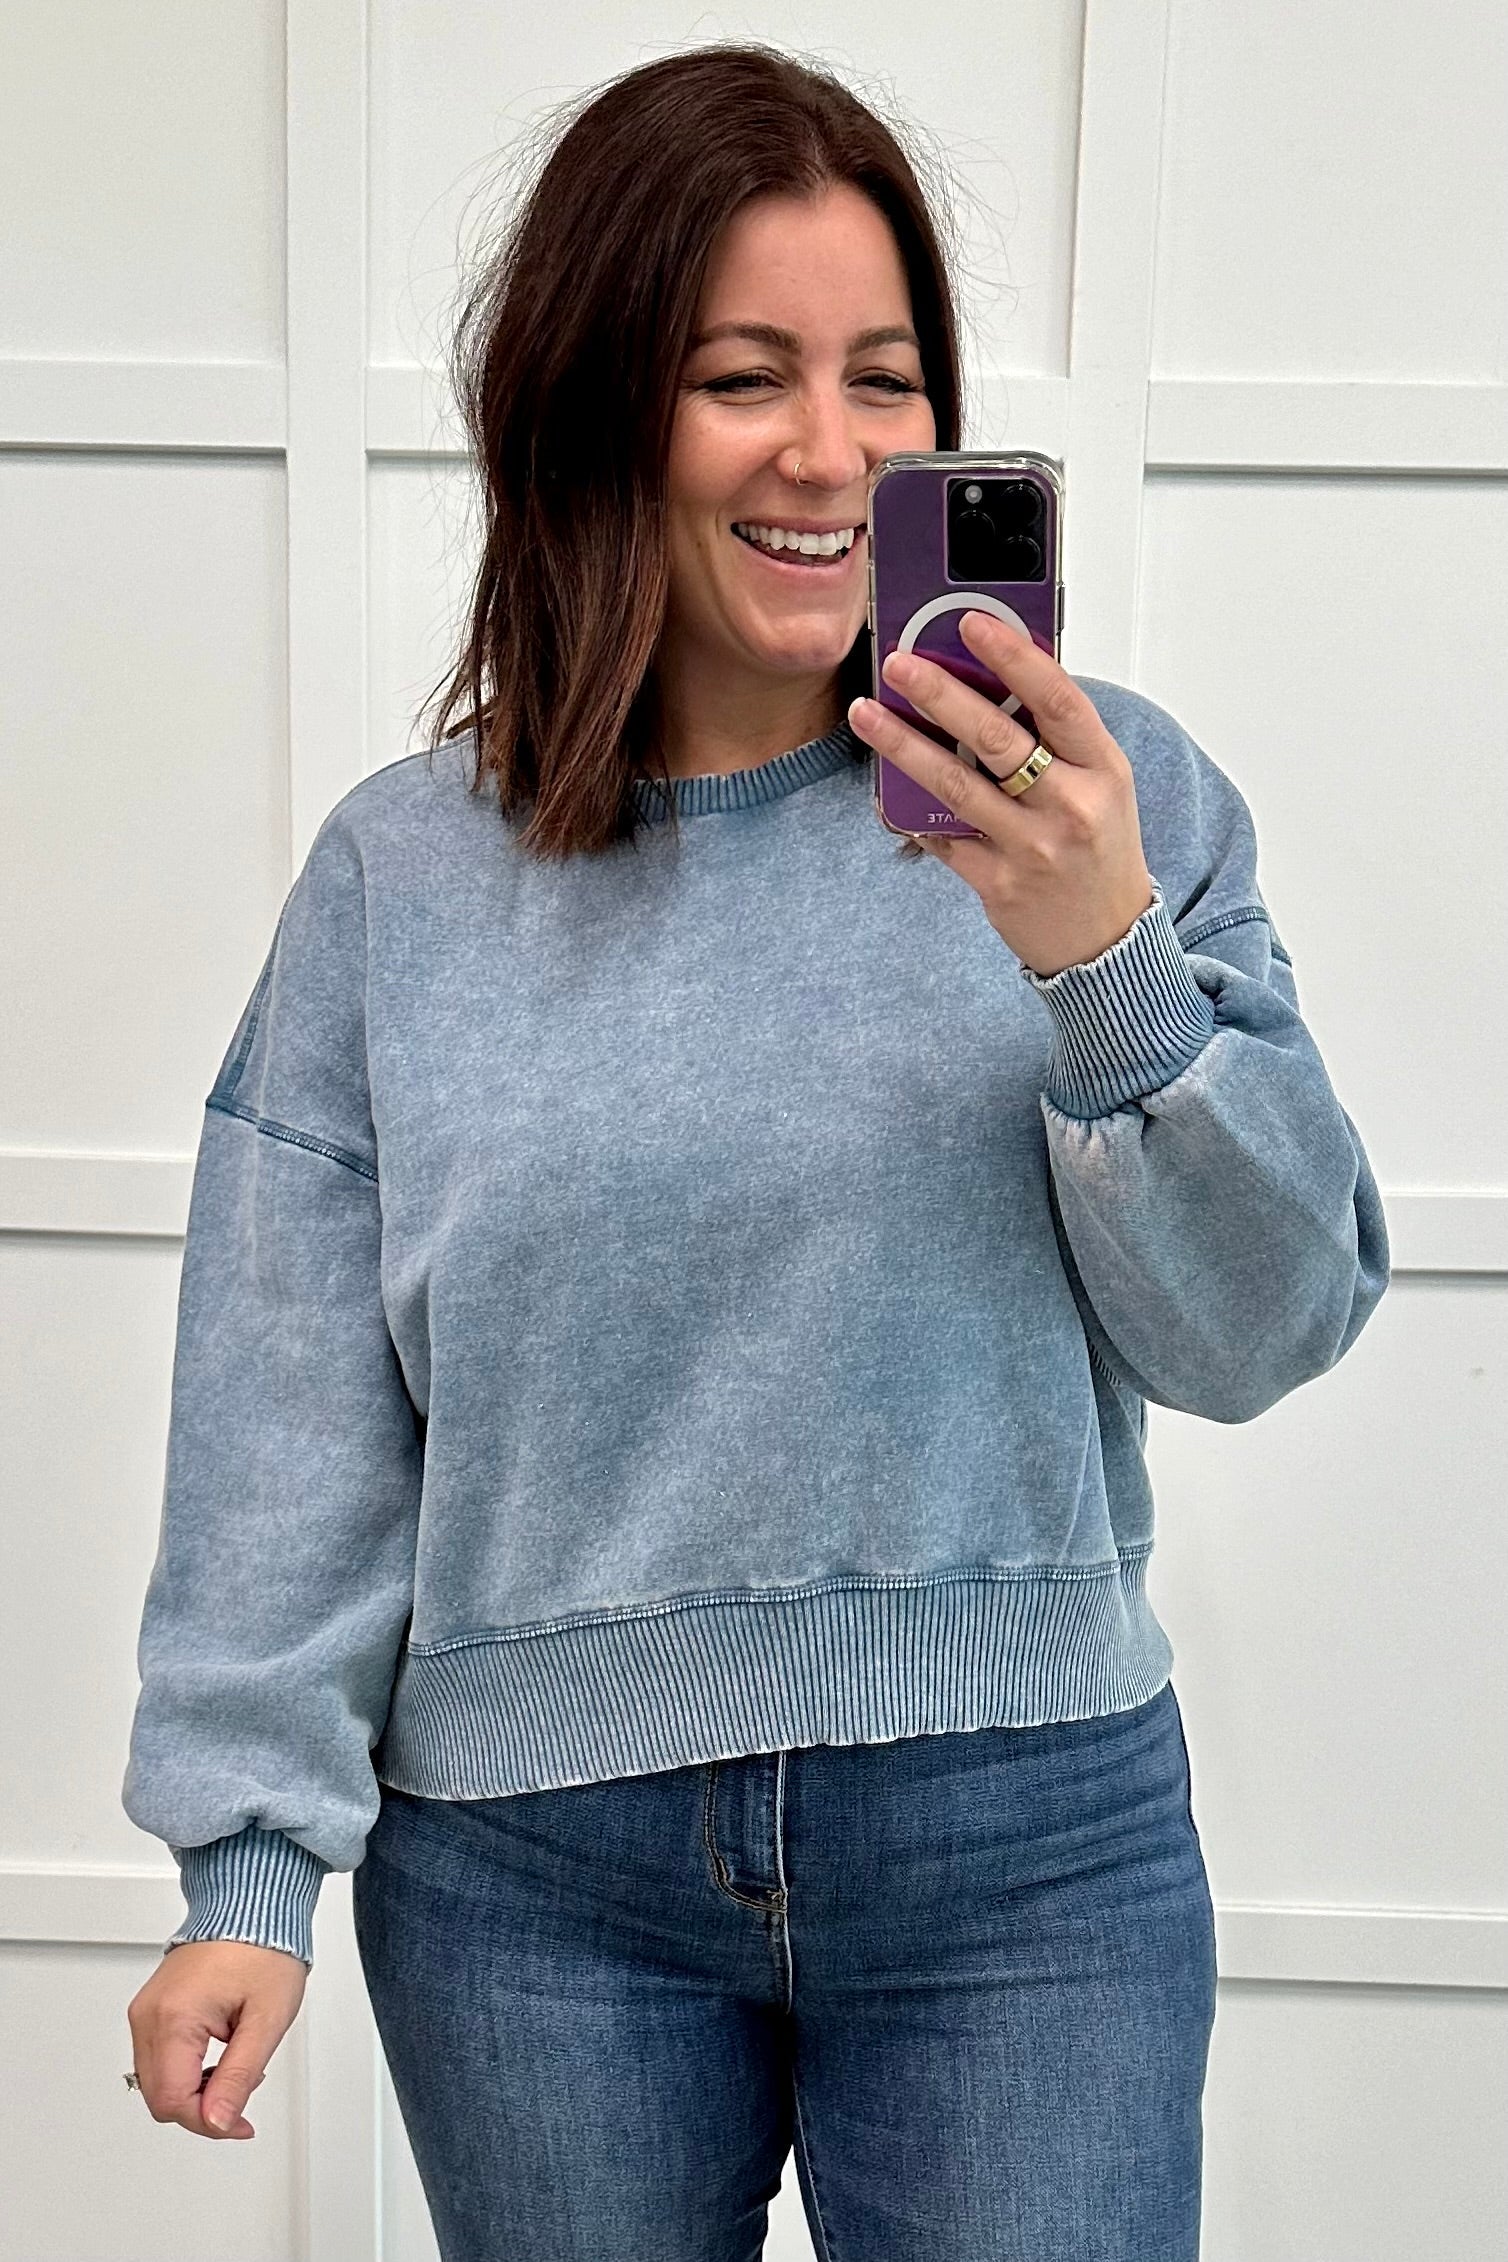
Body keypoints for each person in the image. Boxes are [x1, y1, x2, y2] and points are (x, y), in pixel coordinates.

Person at [121, 42, 1391, 2261]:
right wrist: (249, 1862)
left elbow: (1266, 1323)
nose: (830, 448)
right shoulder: (404, 878)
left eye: (885, 378)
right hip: (532, 1888)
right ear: (595, 409)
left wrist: (1099, 960)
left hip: (1028, 1857)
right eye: (742, 377)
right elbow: (290, 1400)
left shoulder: (1109, 804)